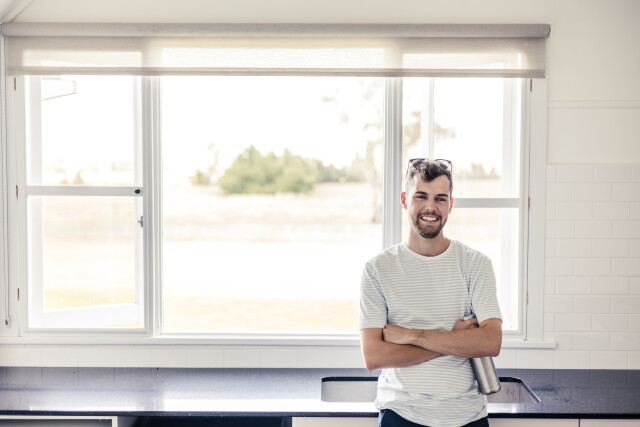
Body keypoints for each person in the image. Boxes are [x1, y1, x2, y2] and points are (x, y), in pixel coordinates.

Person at [359, 158, 503, 427]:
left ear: (451, 204)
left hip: (467, 417)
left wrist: (413, 335)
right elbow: (374, 356)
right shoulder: (378, 269)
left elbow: (490, 342)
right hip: (401, 415)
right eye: (421, 196)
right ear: (404, 200)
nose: (430, 207)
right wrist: (454, 339)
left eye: (440, 198)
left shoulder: (476, 264)